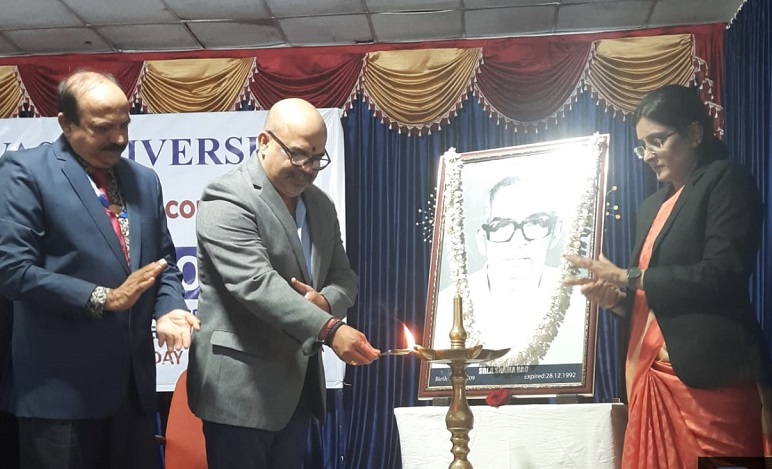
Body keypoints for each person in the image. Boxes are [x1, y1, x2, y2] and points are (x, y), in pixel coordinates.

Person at [0, 70, 200, 469]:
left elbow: (163, 263)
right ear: (66, 123)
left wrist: (170, 308)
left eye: (125, 123)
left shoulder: (144, 179)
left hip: (132, 394)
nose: (120, 138)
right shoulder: (25, 172)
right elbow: (12, 270)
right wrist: (104, 298)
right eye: (103, 127)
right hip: (59, 395)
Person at [565, 84, 771, 466]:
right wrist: (617, 300)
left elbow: (722, 275)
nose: (647, 155)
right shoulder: (651, 206)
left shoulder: (725, 180)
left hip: (708, 381)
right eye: (642, 145)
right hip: (648, 375)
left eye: (657, 141)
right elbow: (651, 300)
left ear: (694, 133)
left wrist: (627, 277)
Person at [186, 97, 380, 469]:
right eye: (298, 155)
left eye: (317, 158)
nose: (308, 169)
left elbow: (344, 277)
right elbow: (255, 284)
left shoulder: (320, 205)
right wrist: (329, 328)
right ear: (264, 142)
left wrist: (324, 303)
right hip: (239, 393)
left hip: (295, 391)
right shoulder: (226, 197)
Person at [433, 175, 586, 366]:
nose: (518, 241)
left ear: (555, 234)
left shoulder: (581, 304)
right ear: (482, 240)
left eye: (535, 223)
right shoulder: (444, 308)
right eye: (502, 225)